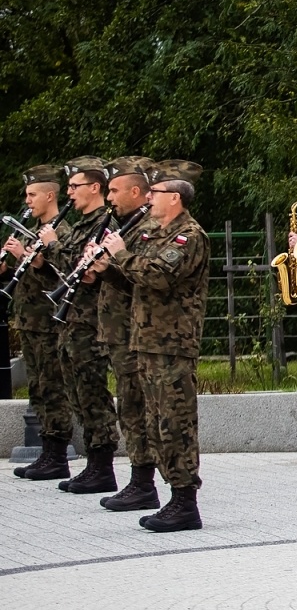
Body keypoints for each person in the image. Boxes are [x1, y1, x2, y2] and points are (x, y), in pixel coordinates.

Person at [101, 160, 210, 532]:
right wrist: (108, 269)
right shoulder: (157, 233)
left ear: (174, 198)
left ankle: (184, 502)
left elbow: (159, 277)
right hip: (146, 341)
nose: (149, 198)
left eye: (156, 193)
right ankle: (168, 495)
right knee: (155, 421)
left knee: (175, 423)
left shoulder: (188, 236)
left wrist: (119, 254)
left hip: (172, 344)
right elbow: (137, 284)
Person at [91, 156, 160, 511]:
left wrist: (116, 258)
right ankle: (140, 479)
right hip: (120, 331)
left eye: (115, 189)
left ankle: (144, 482)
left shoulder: (146, 228)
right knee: (130, 408)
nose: (109, 197)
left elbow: (149, 280)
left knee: (136, 408)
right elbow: (125, 280)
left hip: (139, 332)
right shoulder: (125, 225)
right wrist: (102, 270)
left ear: (137, 191)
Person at [51, 158, 122, 494]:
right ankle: (93, 464)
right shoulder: (82, 224)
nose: (69, 193)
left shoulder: (104, 222)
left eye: (75, 186)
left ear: (95, 187)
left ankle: (103, 466)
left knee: (93, 393)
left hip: (91, 322)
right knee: (77, 392)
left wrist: (51, 246)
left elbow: (77, 263)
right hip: (72, 319)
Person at [6, 165, 73, 480]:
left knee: (52, 386)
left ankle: (57, 452)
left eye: (32, 194)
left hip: (49, 322)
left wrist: (25, 257)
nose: (27, 200)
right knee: (37, 387)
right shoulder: (28, 231)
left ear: (49, 196)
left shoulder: (61, 232)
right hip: (29, 321)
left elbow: (64, 274)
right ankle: (47, 452)